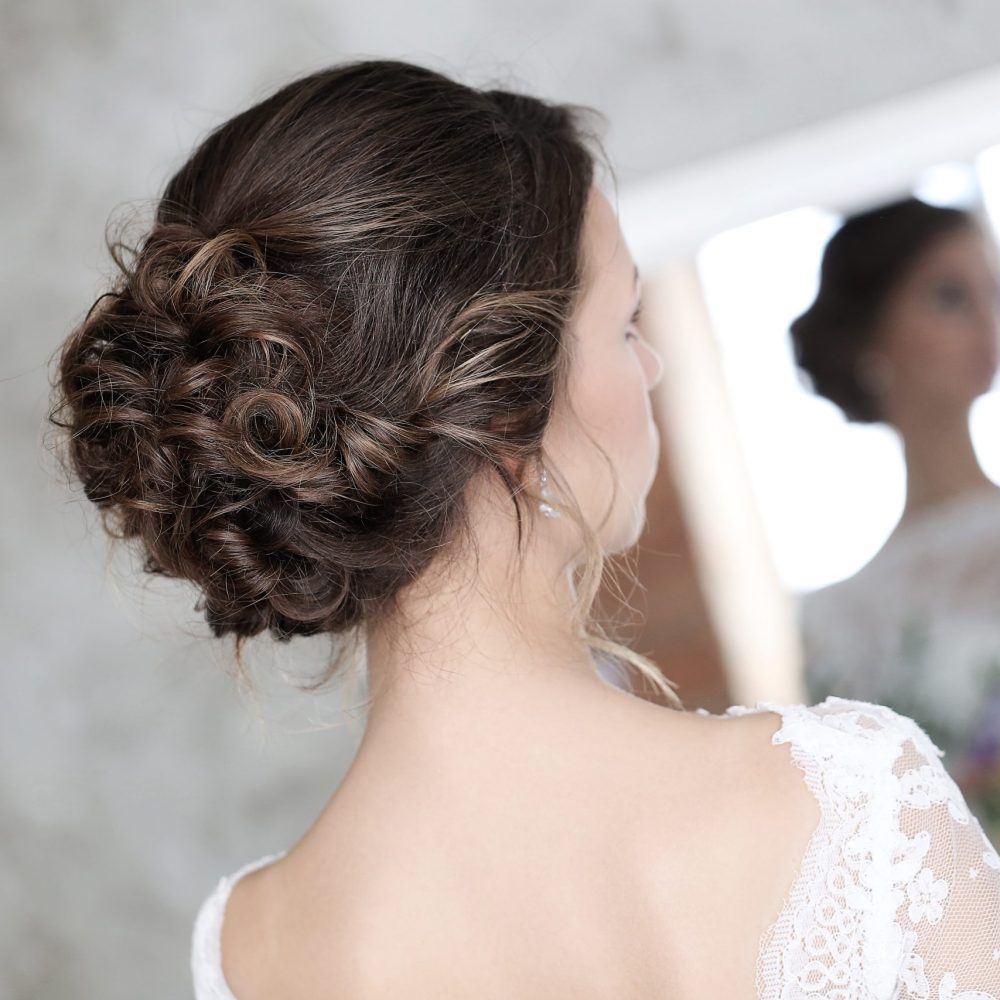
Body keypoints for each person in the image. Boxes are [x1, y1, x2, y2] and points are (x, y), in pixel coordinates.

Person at [49, 61, 1000, 999]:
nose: (656, 365)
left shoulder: (252, 949)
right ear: (505, 409)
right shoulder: (855, 805)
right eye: (624, 322)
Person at [791, 197, 1000, 844]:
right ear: (871, 336)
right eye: (948, 295)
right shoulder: (839, 614)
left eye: (992, 290)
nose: (987, 322)